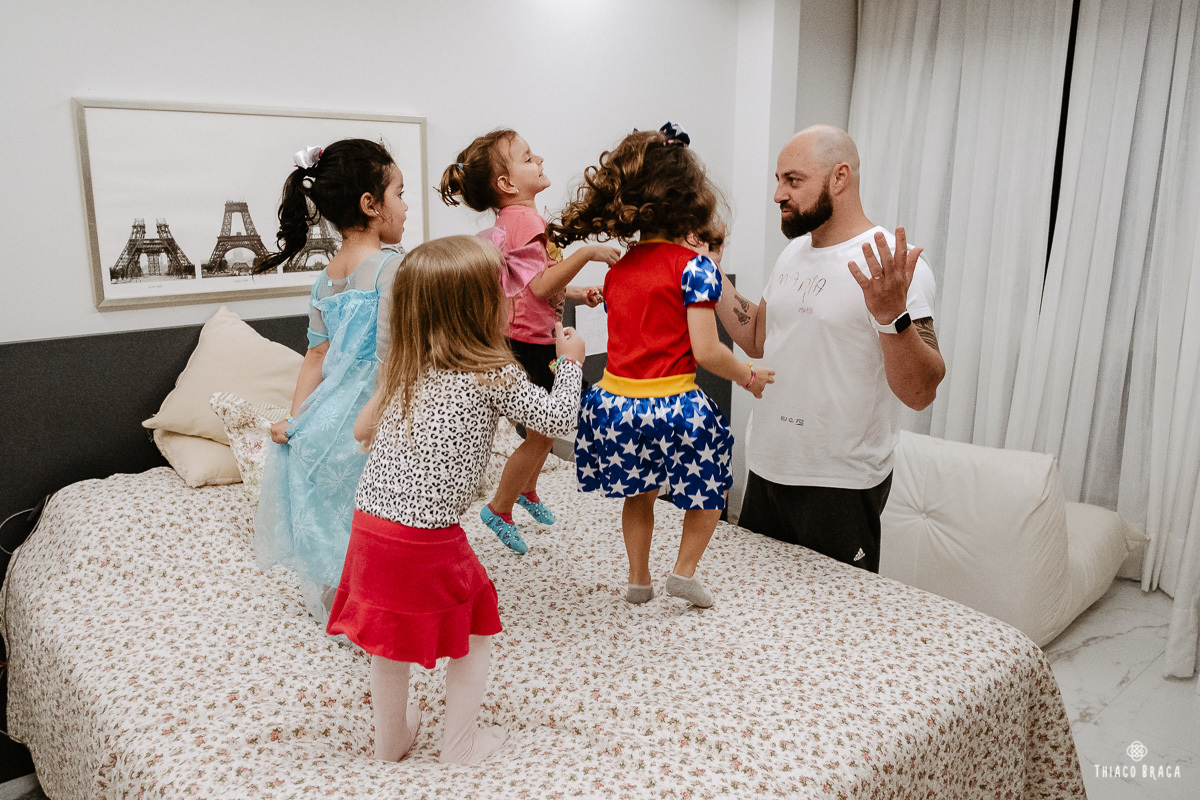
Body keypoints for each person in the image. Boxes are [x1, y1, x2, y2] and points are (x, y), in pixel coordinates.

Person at [325, 235, 585, 763]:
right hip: (425, 535)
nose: (512, 298)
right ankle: (460, 746)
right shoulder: (494, 373)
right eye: (502, 290)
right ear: (478, 309)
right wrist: (571, 363)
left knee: (387, 636)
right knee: (477, 622)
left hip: (371, 525)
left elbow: (360, 430)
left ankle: (390, 740)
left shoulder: (405, 366)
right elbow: (559, 420)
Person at [550, 123, 775, 608]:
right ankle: (684, 571)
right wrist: (748, 376)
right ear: (691, 201)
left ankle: (638, 580)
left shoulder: (618, 269)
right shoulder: (695, 267)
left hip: (615, 404)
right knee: (711, 487)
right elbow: (708, 351)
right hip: (673, 405)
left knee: (640, 493)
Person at [714, 125, 946, 573]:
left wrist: (892, 315)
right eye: (778, 180)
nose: (778, 194)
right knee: (755, 604)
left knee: (833, 615)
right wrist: (709, 273)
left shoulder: (892, 265)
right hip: (765, 468)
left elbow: (920, 392)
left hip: (840, 486)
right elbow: (760, 336)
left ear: (840, 177)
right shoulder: (793, 253)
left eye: (793, 180)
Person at [439, 129, 620, 555]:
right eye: (527, 157)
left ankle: (527, 488)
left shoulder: (512, 221)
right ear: (506, 183)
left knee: (544, 430)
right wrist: (586, 254)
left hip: (521, 335)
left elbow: (527, 285)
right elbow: (540, 286)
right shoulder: (526, 220)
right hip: (529, 342)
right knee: (544, 431)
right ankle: (499, 507)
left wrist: (576, 292)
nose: (538, 159)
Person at [253, 139, 407, 624]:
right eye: (399, 194)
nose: (405, 207)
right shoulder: (391, 267)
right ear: (371, 204)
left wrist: (297, 420)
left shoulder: (324, 278)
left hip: (329, 412)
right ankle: (382, 607)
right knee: (383, 510)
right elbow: (395, 355)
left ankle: (345, 602)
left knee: (339, 509)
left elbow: (315, 355)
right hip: (375, 408)